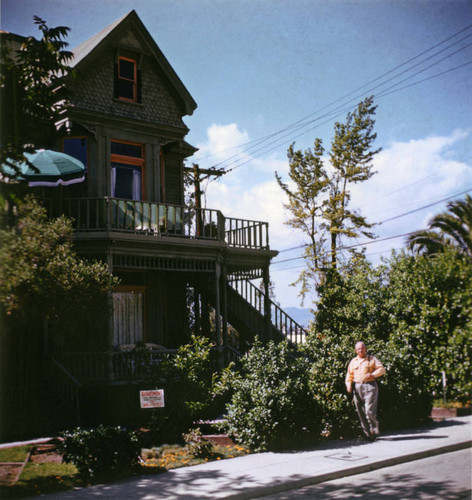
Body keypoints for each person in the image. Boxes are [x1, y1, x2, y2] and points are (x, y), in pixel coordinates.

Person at [345, 341, 385, 441]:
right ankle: (367, 434)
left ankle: (374, 430)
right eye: (358, 349)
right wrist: (349, 385)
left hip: (369, 386)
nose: (360, 350)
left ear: (365, 348)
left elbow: (381, 369)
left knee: (369, 411)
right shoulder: (353, 361)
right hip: (357, 387)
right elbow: (349, 375)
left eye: (362, 348)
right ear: (356, 350)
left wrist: (373, 374)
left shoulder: (371, 359)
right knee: (360, 411)